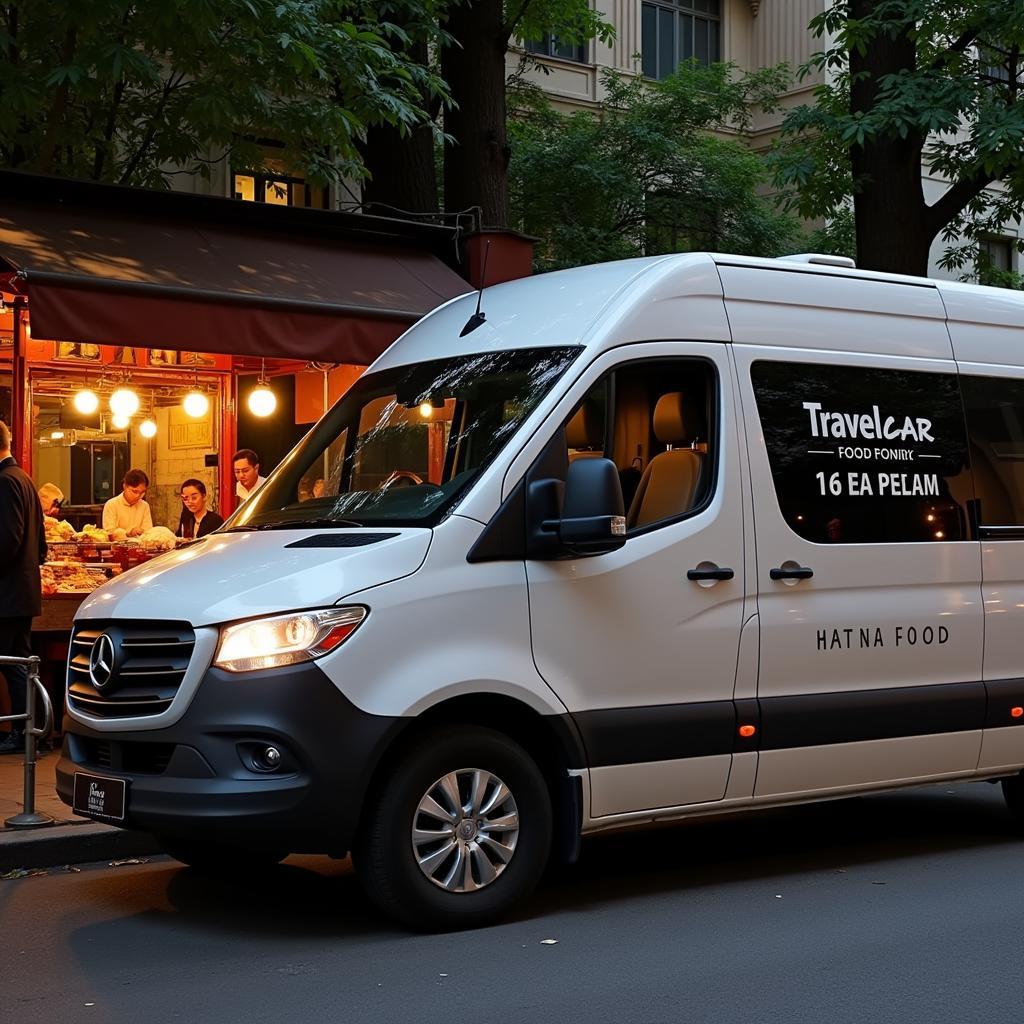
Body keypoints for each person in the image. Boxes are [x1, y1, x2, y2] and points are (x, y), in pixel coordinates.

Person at [0, 421, 47, 754]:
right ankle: (33, 732)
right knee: (19, 664)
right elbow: (41, 544)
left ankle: (25, 731)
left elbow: (7, 541)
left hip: (6, 594)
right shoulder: (25, 479)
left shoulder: (4, 481)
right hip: (23, 591)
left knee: (13, 664)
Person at [102, 469, 153, 536]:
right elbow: (109, 531)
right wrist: (129, 533)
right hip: (118, 545)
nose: (138, 496)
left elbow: (148, 531)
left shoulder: (144, 506)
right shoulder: (111, 504)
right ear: (125, 486)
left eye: (142, 492)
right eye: (134, 491)